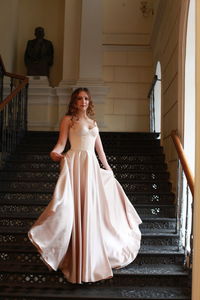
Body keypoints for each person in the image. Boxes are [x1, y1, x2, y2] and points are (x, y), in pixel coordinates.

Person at [28, 87, 142, 284]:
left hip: (91, 167)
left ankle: (92, 257)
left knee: (92, 210)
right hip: (75, 165)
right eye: (80, 98)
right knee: (73, 208)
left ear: (90, 101)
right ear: (74, 101)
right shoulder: (69, 120)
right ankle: (70, 254)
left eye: (86, 98)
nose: (83, 101)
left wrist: (107, 168)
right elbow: (61, 144)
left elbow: (100, 150)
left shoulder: (93, 123)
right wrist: (54, 154)